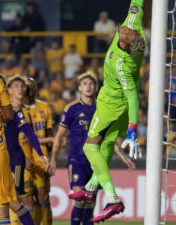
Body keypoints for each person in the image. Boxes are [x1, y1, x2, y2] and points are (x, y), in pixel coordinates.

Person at [69, 0, 154, 222]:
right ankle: (91, 188)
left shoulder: (123, 65)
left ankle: (114, 199)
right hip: (117, 106)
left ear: (128, 45)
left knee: (89, 146)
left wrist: (133, 131)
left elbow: (133, 96)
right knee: (104, 148)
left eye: (128, 34)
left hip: (111, 103)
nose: (126, 28)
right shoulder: (133, 26)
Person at [50, 72, 135, 225]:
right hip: (77, 160)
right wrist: (53, 159)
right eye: (85, 84)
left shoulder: (103, 108)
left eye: (91, 84)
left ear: (96, 87)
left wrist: (123, 157)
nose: (88, 86)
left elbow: (109, 138)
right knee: (80, 201)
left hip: (96, 162)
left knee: (90, 203)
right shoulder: (72, 108)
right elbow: (59, 135)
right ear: (79, 88)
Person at [5, 75, 49, 224]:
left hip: (15, 159)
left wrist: (41, 154)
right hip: (2, 158)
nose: (20, 89)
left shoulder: (15, 110)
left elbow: (30, 133)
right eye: (16, 86)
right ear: (9, 90)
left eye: (21, 86)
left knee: (14, 199)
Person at [0, 74, 32, 225]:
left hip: (12, 155)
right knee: (9, 199)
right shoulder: (0, 87)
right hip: (1, 153)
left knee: (8, 200)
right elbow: (8, 115)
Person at [20, 78, 54, 225]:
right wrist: (50, 140)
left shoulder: (44, 107)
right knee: (25, 199)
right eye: (28, 87)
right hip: (24, 159)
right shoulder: (17, 109)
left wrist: (52, 159)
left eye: (33, 86)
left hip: (42, 160)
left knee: (43, 197)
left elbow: (49, 133)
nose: (31, 89)